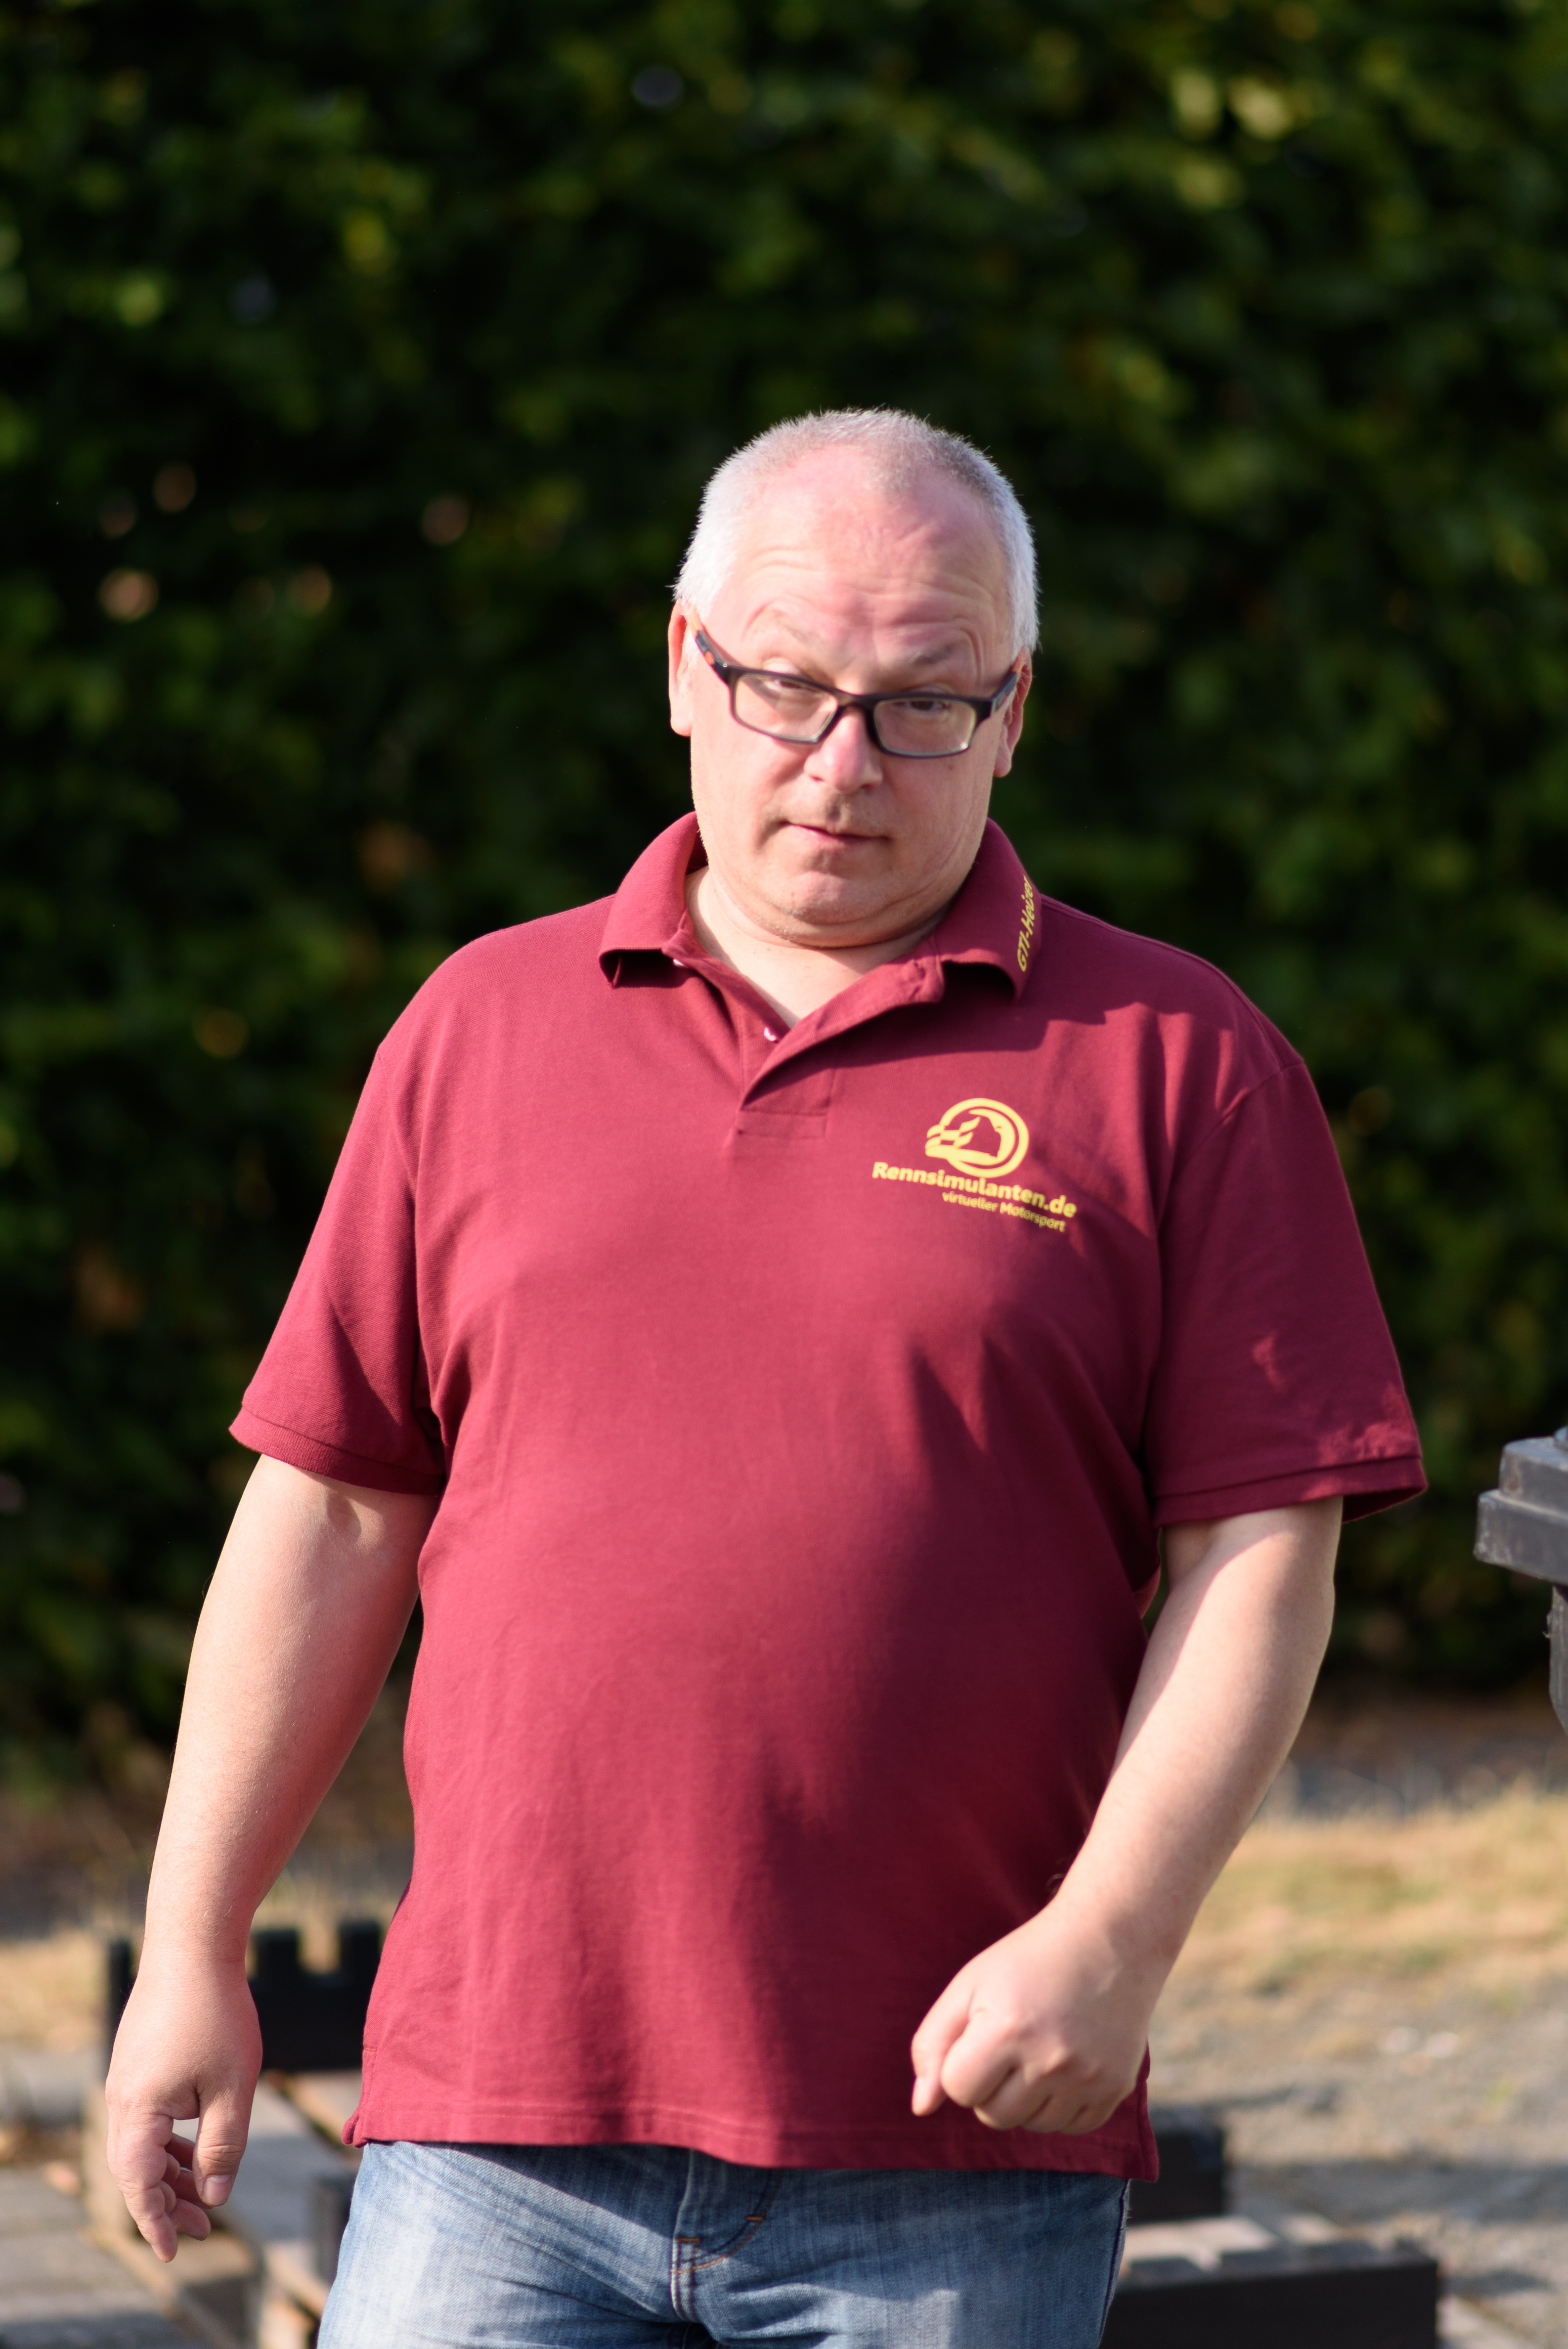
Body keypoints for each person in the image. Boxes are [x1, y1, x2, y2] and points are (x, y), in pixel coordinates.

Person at [106, 409, 1423, 2347]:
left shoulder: (1179, 1063)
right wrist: (188, 1946)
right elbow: (327, 1508)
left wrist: (1112, 1938)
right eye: (785, 685)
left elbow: (1259, 1556)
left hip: (951, 2136)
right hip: (494, 2121)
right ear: (680, 666)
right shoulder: (479, 1026)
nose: (842, 763)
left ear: (1014, 711)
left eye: (922, 704)